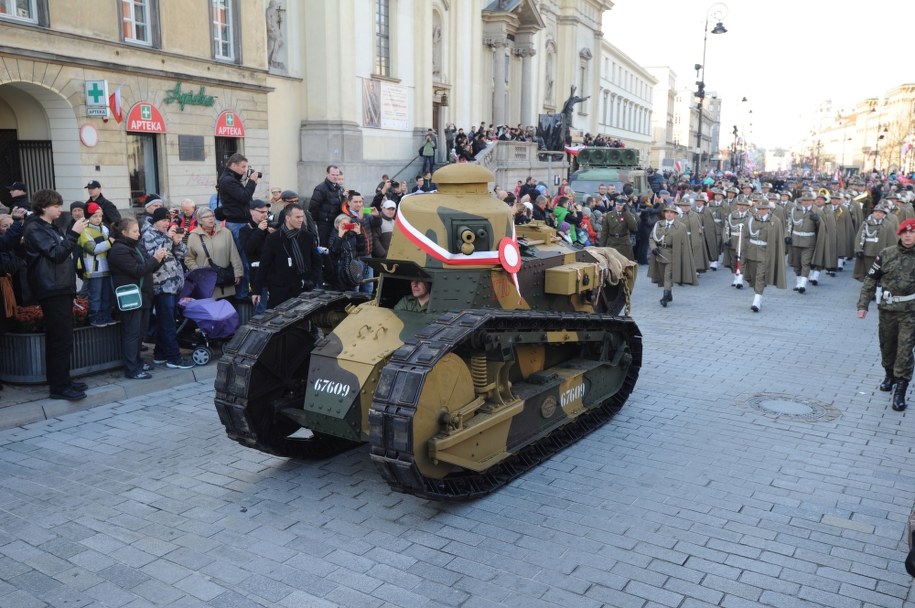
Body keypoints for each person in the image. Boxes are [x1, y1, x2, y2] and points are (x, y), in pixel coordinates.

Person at [22, 189, 89, 401]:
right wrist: (74, 234)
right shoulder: (34, 228)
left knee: (63, 337)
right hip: (50, 289)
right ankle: (59, 387)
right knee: (59, 338)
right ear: (43, 207)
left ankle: (63, 381)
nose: (60, 209)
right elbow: (57, 254)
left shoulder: (50, 226)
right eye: (56, 205)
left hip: (61, 287)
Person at [857, 218, 915, 411]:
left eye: (912, 232)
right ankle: (889, 375)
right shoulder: (886, 254)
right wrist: (863, 304)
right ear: (899, 234)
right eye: (904, 233)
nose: (908, 235)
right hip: (888, 311)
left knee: (905, 352)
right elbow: (870, 280)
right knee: (887, 347)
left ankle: (900, 390)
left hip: (910, 313)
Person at [109, 218, 166, 379]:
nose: (138, 233)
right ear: (124, 232)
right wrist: (155, 259)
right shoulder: (119, 249)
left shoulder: (136, 245)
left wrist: (159, 259)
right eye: (134, 231)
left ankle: (138, 362)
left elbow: (149, 267)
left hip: (144, 295)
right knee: (132, 333)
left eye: (138, 230)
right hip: (131, 297)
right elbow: (137, 270)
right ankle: (131, 368)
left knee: (140, 333)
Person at [142, 207, 193, 369]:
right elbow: (155, 258)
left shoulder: (164, 235)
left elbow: (180, 256)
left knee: (167, 321)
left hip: (173, 285)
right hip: (161, 285)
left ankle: (160, 354)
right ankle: (174, 358)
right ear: (155, 221)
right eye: (163, 221)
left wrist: (178, 242)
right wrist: (168, 239)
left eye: (167, 220)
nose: (166, 224)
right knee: (168, 323)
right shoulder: (149, 235)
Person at [251, 205, 322, 310]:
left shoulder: (307, 236)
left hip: (304, 289)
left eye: (302, 217)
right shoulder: (273, 239)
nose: (301, 220)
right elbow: (264, 265)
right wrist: (256, 290)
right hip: (280, 292)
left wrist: (311, 281)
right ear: (288, 218)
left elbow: (317, 261)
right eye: (297, 217)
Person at [216, 153, 260, 298]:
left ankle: (244, 293)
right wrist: (252, 182)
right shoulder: (228, 181)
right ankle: (242, 296)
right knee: (243, 261)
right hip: (237, 224)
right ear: (233, 165)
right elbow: (244, 197)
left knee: (246, 259)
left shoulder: (230, 179)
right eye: (243, 166)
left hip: (240, 222)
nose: (245, 170)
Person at [185, 208, 244, 300]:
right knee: (211, 311)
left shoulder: (225, 232)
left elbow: (234, 254)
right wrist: (198, 272)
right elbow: (189, 259)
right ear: (200, 220)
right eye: (207, 217)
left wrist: (238, 272)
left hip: (225, 281)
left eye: (212, 216)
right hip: (206, 282)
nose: (211, 219)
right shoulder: (193, 236)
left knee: (226, 310)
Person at [743, 198, 787, 313]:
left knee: (760, 276)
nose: (762, 211)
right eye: (760, 209)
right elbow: (745, 236)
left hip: (765, 253)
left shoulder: (775, 221)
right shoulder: (751, 219)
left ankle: (757, 300)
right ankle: (757, 292)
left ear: (769, 209)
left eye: (764, 209)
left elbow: (778, 240)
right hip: (751, 252)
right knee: (751, 276)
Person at [647, 203, 695, 307]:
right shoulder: (658, 224)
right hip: (659, 254)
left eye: (671, 212)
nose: (669, 214)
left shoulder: (681, 227)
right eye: (667, 212)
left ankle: (665, 297)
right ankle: (669, 294)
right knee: (662, 276)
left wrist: (682, 257)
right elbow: (651, 237)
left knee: (667, 276)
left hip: (672, 255)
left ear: (675, 214)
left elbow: (684, 243)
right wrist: (654, 248)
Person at [77, 202, 114, 327]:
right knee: (95, 296)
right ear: (88, 217)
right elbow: (92, 249)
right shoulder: (84, 230)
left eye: (100, 216)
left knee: (106, 295)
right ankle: (95, 317)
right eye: (94, 216)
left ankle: (106, 316)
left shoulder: (105, 228)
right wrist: (110, 242)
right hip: (94, 269)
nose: (98, 219)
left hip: (107, 267)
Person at [239, 199, 273, 314]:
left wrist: (273, 233)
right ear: (252, 212)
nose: (265, 214)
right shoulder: (245, 230)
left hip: (274, 274)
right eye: (261, 212)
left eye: (266, 212)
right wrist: (259, 230)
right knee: (261, 311)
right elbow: (249, 249)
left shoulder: (270, 227)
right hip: (258, 276)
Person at [786, 191, 819, 294]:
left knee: (805, 262)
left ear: (812, 201)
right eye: (804, 200)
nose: (805, 202)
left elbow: (822, 228)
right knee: (796, 263)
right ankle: (798, 282)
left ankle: (803, 284)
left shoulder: (816, 211)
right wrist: (787, 236)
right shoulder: (794, 210)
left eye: (808, 200)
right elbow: (789, 224)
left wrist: (818, 220)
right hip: (796, 240)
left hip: (809, 241)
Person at [853, 202, 895, 281]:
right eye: (875, 212)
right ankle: (870, 288)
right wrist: (858, 249)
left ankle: (878, 290)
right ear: (873, 213)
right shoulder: (866, 224)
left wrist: (892, 253)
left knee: (881, 273)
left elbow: (892, 240)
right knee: (869, 273)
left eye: (880, 212)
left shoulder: (888, 225)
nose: (878, 214)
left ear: (884, 214)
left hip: (882, 254)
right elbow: (859, 237)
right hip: (868, 253)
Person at [309, 164, 344, 247]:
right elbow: (313, 207)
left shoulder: (340, 189)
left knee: (335, 245)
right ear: (327, 174)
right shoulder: (320, 188)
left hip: (336, 222)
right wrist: (317, 222)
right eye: (333, 175)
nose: (335, 177)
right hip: (324, 224)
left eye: (337, 175)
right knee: (325, 246)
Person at [723, 195, 752, 288]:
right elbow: (727, 227)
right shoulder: (732, 215)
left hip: (745, 241)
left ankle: (740, 279)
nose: (742, 207)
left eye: (744, 205)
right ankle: (735, 278)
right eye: (740, 205)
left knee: (743, 260)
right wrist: (726, 239)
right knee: (733, 261)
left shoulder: (751, 216)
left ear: (747, 207)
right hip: (734, 240)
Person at [599, 195, 638, 260]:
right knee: (613, 265)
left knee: (626, 265)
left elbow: (634, 228)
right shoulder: (609, 215)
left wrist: (626, 212)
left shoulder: (629, 215)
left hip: (624, 244)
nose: (618, 206)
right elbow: (604, 232)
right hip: (612, 243)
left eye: (620, 205)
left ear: (624, 206)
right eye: (617, 204)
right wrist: (601, 247)